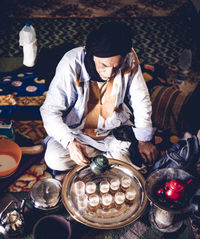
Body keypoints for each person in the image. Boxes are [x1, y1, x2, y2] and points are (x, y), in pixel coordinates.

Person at [40, 22, 158, 176]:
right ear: (91, 55)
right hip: (79, 134)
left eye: (116, 67)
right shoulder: (71, 63)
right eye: (104, 65)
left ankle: (102, 162)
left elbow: (140, 98)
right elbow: (50, 111)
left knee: (140, 161)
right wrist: (70, 142)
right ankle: (111, 161)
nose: (109, 73)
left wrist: (143, 141)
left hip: (114, 132)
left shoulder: (130, 58)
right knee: (54, 158)